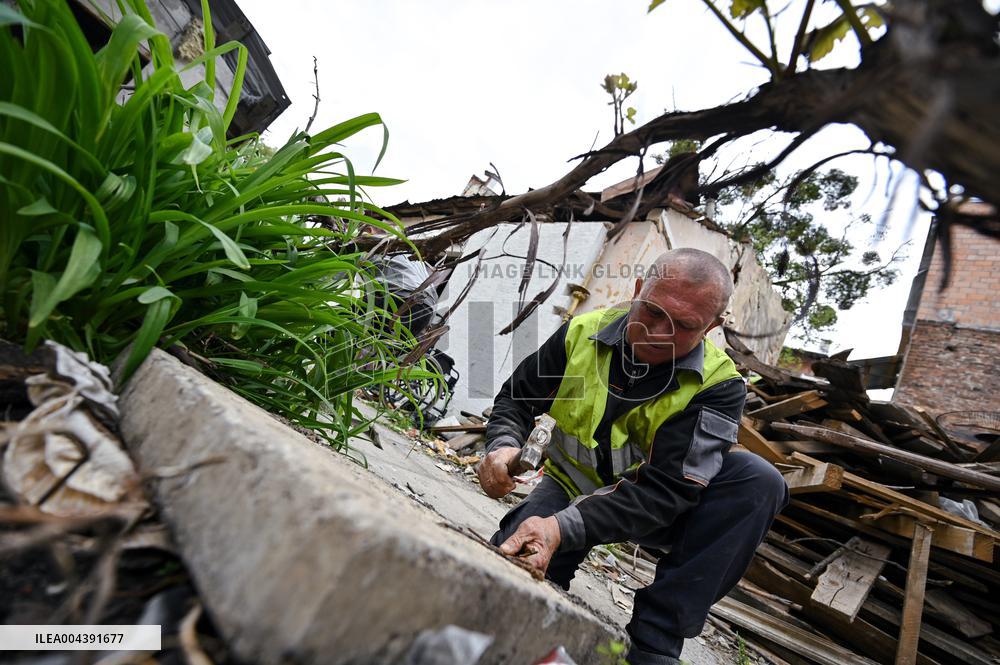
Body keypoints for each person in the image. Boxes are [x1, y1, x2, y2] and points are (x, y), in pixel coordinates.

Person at [478, 248, 789, 665]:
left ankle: (655, 641)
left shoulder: (718, 385)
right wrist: (501, 447)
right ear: (638, 289)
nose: (659, 333)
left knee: (758, 480)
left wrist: (561, 527)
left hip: (663, 512)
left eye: (684, 326)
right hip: (572, 488)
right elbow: (515, 403)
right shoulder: (581, 334)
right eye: (654, 311)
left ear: (712, 327)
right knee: (513, 567)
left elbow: (667, 489)